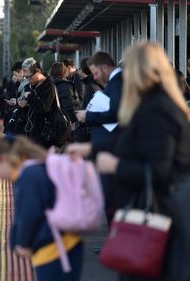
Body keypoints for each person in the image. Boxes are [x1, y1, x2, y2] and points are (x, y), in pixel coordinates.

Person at [68, 42, 190, 281]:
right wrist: (90, 149)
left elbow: (159, 171)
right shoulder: (156, 105)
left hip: (161, 221)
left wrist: (114, 166)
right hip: (159, 217)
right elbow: (129, 142)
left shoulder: (157, 111)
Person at [0, 136, 83, 281]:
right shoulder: (33, 169)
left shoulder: (29, 175)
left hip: (55, 251)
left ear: (4, 159)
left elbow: (29, 215)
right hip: (63, 246)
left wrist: (23, 243)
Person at [75, 52, 122, 144]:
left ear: (105, 68)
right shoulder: (115, 81)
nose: (95, 77)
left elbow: (116, 114)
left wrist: (87, 116)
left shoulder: (116, 83)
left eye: (96, 73)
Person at [18, 60, 57, 147]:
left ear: (38, 72)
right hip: (34, 130)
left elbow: (43, 108)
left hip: (44, 132)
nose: (28, 80)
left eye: (29, 77)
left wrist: (30, 97)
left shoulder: (48, 86)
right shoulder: (36, 86)